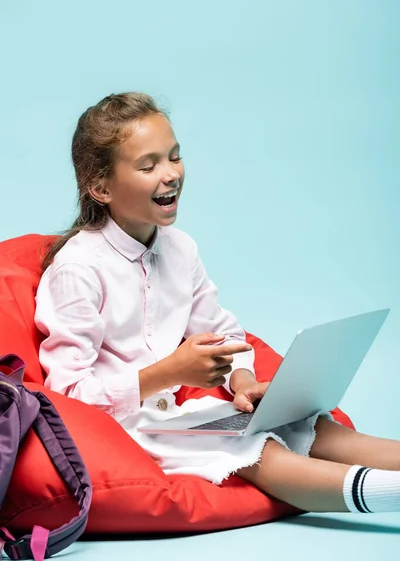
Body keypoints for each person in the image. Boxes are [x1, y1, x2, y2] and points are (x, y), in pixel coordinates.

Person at [35, 92, 400, 517]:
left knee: (312, 428)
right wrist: (166, 373)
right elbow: (66, 395)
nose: (171, 174)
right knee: (256, 448)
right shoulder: (78, 269)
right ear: (100, 187)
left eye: (174, 156)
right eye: (148, 165)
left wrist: (243, 384)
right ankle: (387, 493)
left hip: (180, 418)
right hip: (127, 430)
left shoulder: (180, 248)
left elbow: (226, 333)